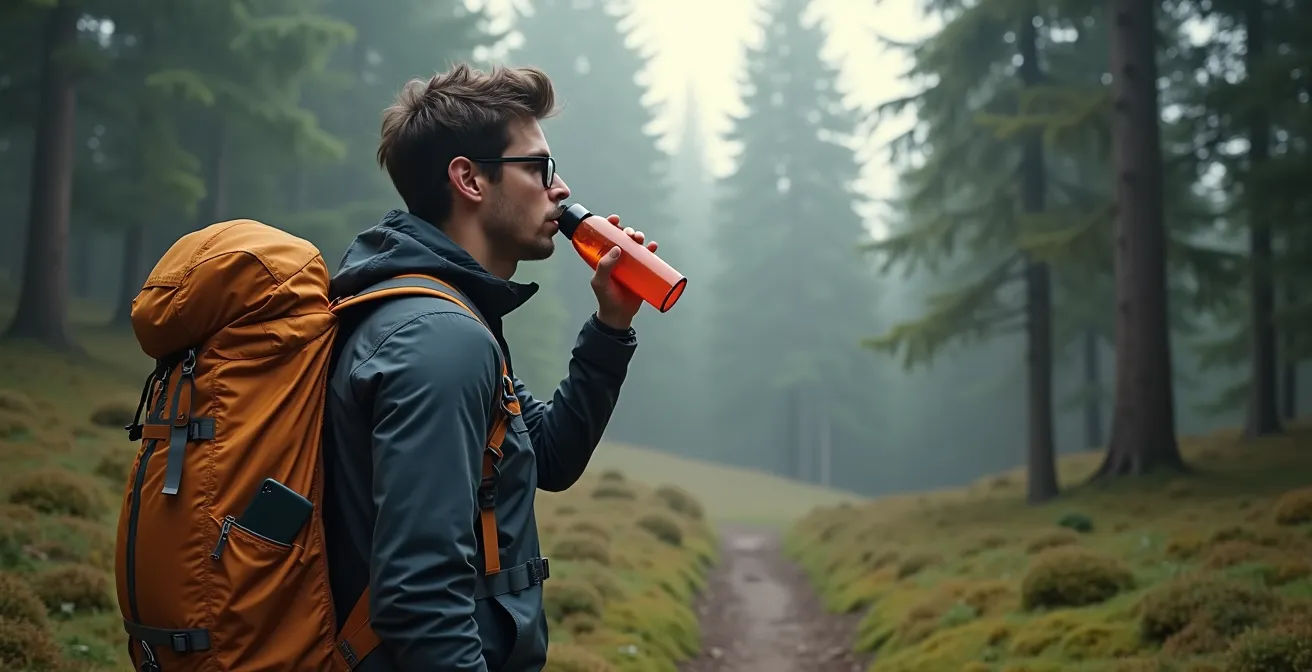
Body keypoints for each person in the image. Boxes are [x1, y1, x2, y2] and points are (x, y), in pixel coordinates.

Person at [319, 63, 652, 671]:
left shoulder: (443, 314)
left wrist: (611, 324)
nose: (561, 189)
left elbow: (548, 456)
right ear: (469, 179)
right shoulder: (439, 339)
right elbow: (418, 598)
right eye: (539, 167)